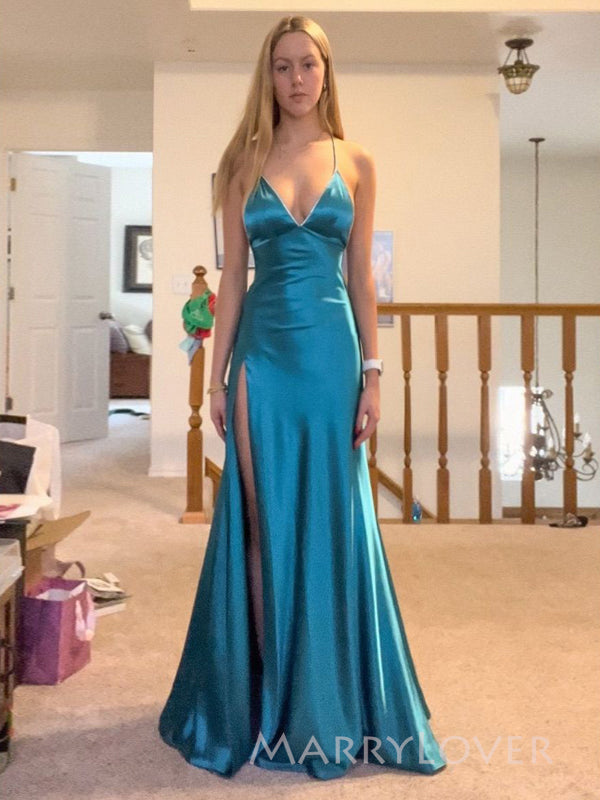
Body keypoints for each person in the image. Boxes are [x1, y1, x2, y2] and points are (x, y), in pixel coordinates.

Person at [158, 15, 446, 781]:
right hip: (262, 358)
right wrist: (216, 377)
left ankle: (329, 699)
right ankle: (270, 703)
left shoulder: (357, 160)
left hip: (332, 360)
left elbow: (361, 279)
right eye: (282, 66)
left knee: (335, 524)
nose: (296, 79)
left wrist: (374, 373)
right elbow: (233, 277)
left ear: (326, 72)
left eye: (307, 64)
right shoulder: (241, 161)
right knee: (261, 525)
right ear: (269, 76)